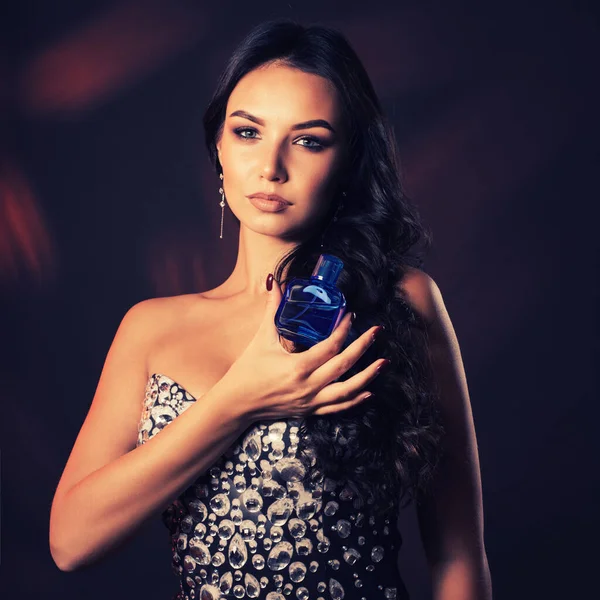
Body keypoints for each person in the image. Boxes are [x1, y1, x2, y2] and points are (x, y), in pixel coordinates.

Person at [49, 19, 492, 600]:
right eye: (248, 132)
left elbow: (459, 557)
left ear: (349, 161)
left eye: (308, 140)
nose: (271, 166)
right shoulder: (152, 328)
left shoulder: (400, 302)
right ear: (218, 147)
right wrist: (239, 401)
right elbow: (70, 543)